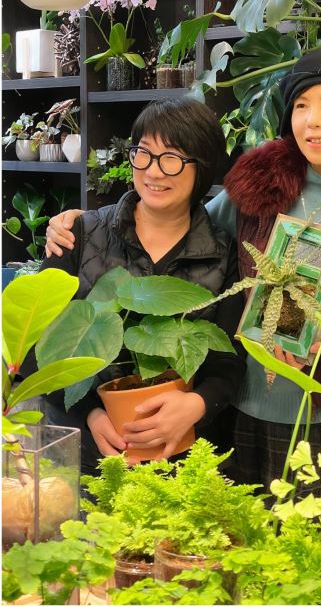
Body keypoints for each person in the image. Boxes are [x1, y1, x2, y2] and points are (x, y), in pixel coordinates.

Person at [45, 50, 321, 493]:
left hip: (317, 414)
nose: (313, 120)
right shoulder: (259, 184)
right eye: (301, 105)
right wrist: (85, 223)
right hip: (231, 410)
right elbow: (179, 214)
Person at [35, 96, 246, 476]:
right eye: (143, 153)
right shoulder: (78, 234)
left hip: (183, 456)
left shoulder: (224, 253)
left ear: (203, 167)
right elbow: (40, 345)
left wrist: (196, 405)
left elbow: (228, 359)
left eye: (172, 158)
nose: (153, 172)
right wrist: (91, 413)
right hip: (86, 450)